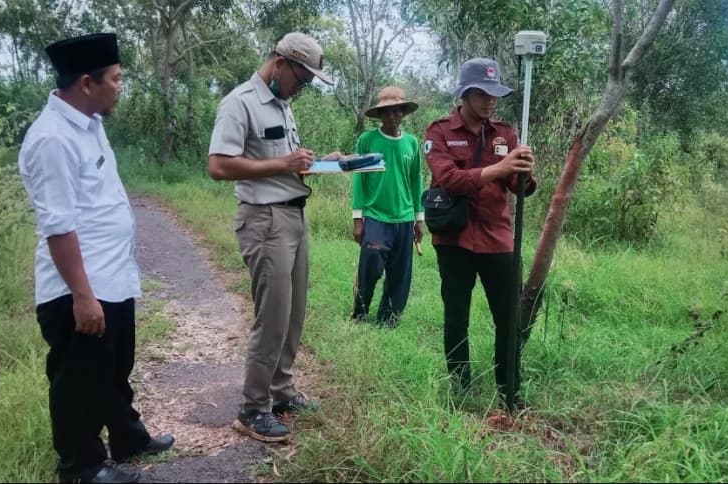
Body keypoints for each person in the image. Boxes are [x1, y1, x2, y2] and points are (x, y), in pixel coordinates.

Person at [17, 33, 173, 484]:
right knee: (77, 382)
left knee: (115, 365)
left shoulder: (88, 123)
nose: (121, 87)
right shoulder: (52, 139)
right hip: (78, 288)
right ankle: (81, 467)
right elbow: (59, 227)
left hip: (112, 277)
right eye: (117, 79)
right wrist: (82, 297)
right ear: (87, 83)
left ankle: (126, 437)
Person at [207, 32, 342, 443]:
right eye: (300, 79)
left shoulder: (282, 106)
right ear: (280, 64)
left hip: (293, 218)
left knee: (293, 312)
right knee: (272, 318)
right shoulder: (240, 103)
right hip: (264, 221)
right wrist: (285, 162)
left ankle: (281, 391)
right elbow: (219, 166)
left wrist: (316, 164)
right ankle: (253, 407)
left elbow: (281, 164)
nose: (301, 89)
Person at [423, 58, 538, 407]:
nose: (491, 101)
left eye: (495, 95)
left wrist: (524, 173)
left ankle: (509, 390)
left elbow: (520, 188)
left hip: (498, 239)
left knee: (508, 318)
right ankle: (460, 388)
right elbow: (450, 180)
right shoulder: (439, 132)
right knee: (456, 316)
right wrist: (499, 167)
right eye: (484, 94)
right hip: (454, 239)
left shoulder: (506, 134)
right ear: (466, 93)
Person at [350, 86, 425, 327]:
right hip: (375, 216)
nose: (393, 116)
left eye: (397, 111)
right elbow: (358, 179)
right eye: (387, 112)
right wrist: (358, 219)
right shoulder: (367, 140)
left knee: (400, 274)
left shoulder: (412, 144)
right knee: (370, 266)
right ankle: (360, 314)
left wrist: (419, 218)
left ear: (403, 113)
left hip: (404, 218)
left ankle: (388, 318)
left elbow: (416, 180)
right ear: (379, 115)